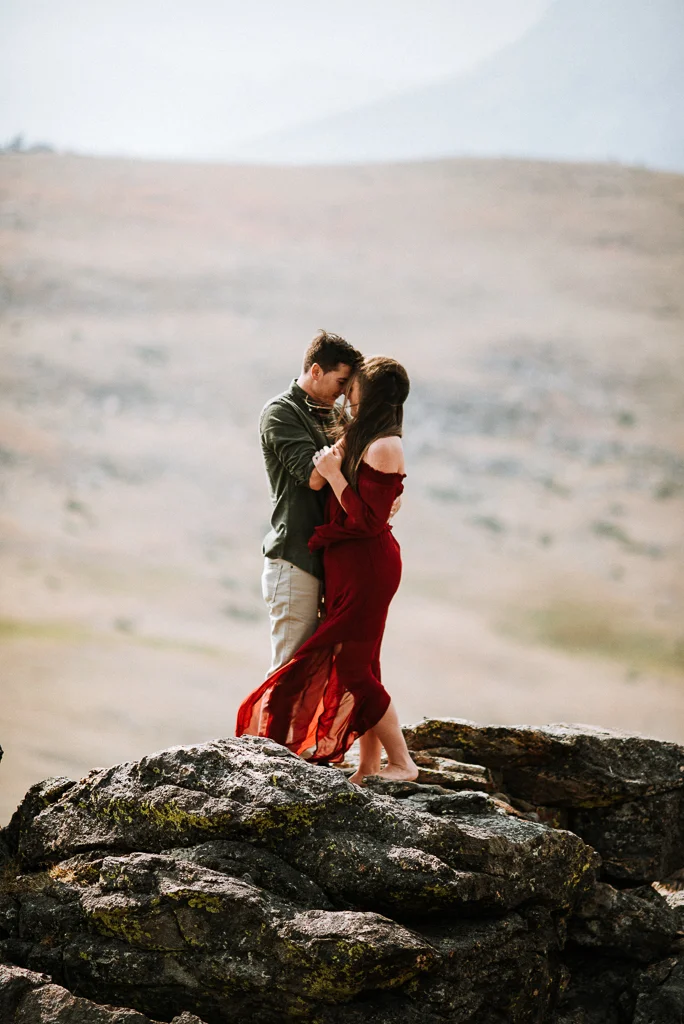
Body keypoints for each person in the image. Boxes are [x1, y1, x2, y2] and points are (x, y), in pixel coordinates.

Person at [236, 355, 419, 785]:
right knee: (364, 663)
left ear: (369, 391)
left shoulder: (384, 444)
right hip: (347, 567)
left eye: (353, 385)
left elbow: (367, 520)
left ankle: (403, 763)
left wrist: (336, 477)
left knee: (354, 667)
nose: (346, 392)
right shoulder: (362, 434)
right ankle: (370, 766)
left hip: (367, 568)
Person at [258, 330, 363, 677]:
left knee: (319, 676)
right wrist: (355, 435)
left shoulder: (334, 417)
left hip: (329, 562)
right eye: (341, 382)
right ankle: (262, 735)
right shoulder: (280, 412)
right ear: (316, 371)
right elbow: (315, 476)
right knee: (287, 671)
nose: (343, 394)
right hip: (294, 560)